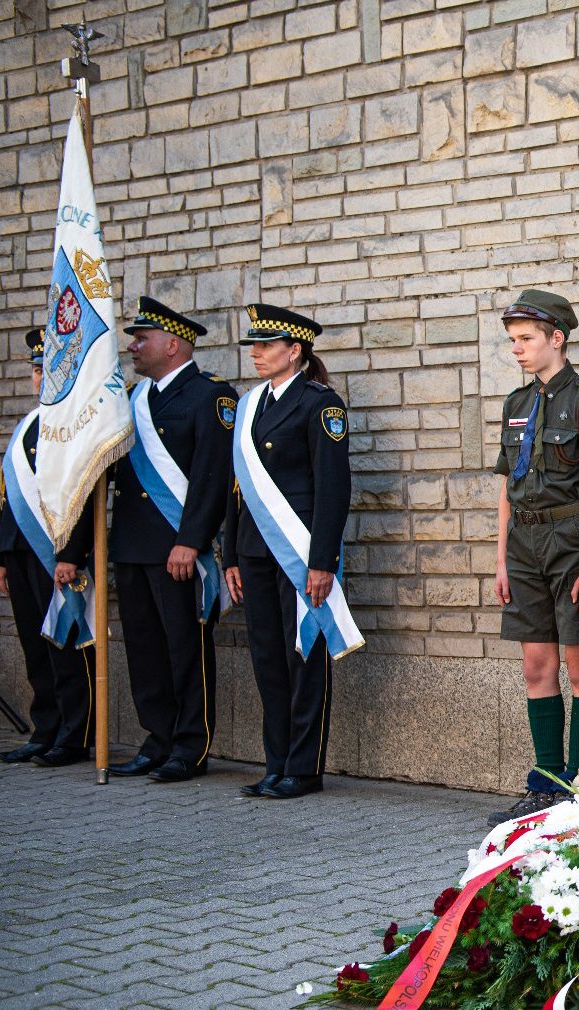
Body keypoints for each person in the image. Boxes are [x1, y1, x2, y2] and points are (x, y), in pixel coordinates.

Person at [488, 290, 579, 826]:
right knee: (535, 664)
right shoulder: (516, 404)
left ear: (557, 339)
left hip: (573, 541)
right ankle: (546, 782)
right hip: (523, 543)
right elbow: (506, 486)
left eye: (526, 340)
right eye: (513, 341)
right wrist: (501, 559)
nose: (518, 349)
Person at [223, 304, 356, 800]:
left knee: (303, 656)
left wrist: (323, 561)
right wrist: (230, 554)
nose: (255, 354)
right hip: (255, 550)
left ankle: (303, 768)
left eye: (265, 345)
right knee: (268, 659)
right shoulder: (250, 404)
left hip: (300, 552)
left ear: (294, 350)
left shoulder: (320, 404)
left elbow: (332, 488)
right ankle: (275, 762)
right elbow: (238, 487)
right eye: (253, 346)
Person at [105, 298, 237, 783]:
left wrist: (191, 539)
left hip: (178, 548)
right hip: (132, 544)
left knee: (185, 648)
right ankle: (156, 739)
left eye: (141, 339)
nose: (133, 348)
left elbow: (212, 477)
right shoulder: (133, 399)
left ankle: (189, 745)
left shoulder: (210, 397)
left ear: (172, 344)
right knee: (145, 649)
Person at [0, 327, 98, 767]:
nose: (40, 377)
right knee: (36, 650)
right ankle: (46, 729)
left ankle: (75, 736)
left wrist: (71, 554)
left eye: (48, 368)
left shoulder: (76, 423)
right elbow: (8, 498)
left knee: (65, 646)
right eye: (36, 370)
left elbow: (85, 493)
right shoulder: (29, 424)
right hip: (20, 552)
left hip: (57, 555)